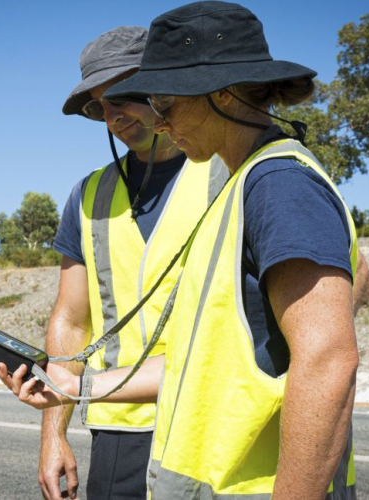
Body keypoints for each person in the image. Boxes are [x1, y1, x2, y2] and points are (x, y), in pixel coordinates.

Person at [10, 8, 369, 499]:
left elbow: (327, 359)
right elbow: (200, 355)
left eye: (161, 100)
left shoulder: (273, 184)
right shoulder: (238, 183)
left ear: (220, 93)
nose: (154, 118)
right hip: (189, 459)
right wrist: (73, 391)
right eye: (102, 107)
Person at [41, 26, 230, 500]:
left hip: (212, 420)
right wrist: (52, 435)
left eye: (122, 96)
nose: (112, 118)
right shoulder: (89, 196)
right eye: (98, 107)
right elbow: (70, 319)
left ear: (164, 86)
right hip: (119, 428)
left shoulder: (231, 169)